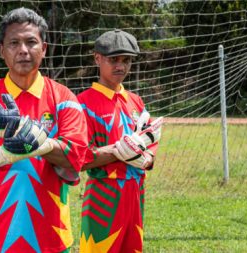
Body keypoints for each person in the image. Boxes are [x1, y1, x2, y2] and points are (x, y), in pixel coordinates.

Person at [0, 7, 88, 253]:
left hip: (51, 236)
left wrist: (42, 144)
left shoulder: (64, 97)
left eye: (31, 42)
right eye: (14, 43)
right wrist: (1, 155)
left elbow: (77, 154)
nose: (23, 50)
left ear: (44, 49)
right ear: (1, 51)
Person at [77, 29, 162, 252]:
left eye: (126, 60)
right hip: (104, 195)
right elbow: (79, 158)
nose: (120, 66)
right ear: (97, 58)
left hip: (136, 192)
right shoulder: (83, 103)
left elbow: (150, 142)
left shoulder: (136, 101)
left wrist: (147, 158)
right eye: (113, 59)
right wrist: (117, 150)